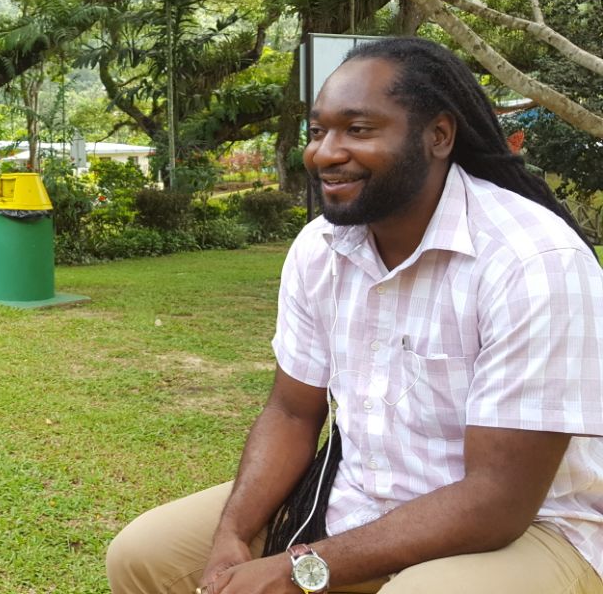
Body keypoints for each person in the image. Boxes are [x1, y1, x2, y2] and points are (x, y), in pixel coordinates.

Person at [106, 37, 603, 594]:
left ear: (438, 135)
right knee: (141, 556)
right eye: (317, 131)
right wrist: (233, 533)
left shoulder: (533, 262)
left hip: (535, 529)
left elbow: (497, 500)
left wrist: (303, 569)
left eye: (358, 130)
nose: (324, 152)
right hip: (359, 498)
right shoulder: (321, 248)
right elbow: (293, 413)